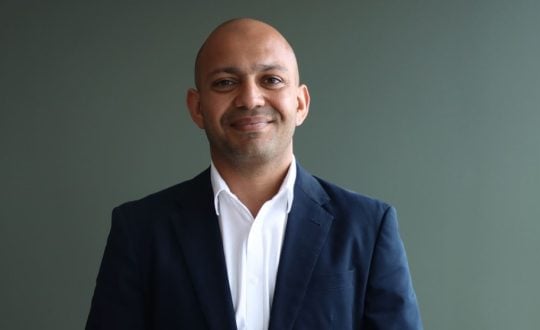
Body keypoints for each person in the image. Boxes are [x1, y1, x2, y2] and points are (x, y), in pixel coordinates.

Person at [86, 18, 423, 330]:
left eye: (271, 80)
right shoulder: (140, 230)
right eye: (225, 82)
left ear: (301, 103)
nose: (249, 98)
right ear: (197, 107)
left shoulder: (368, 225)